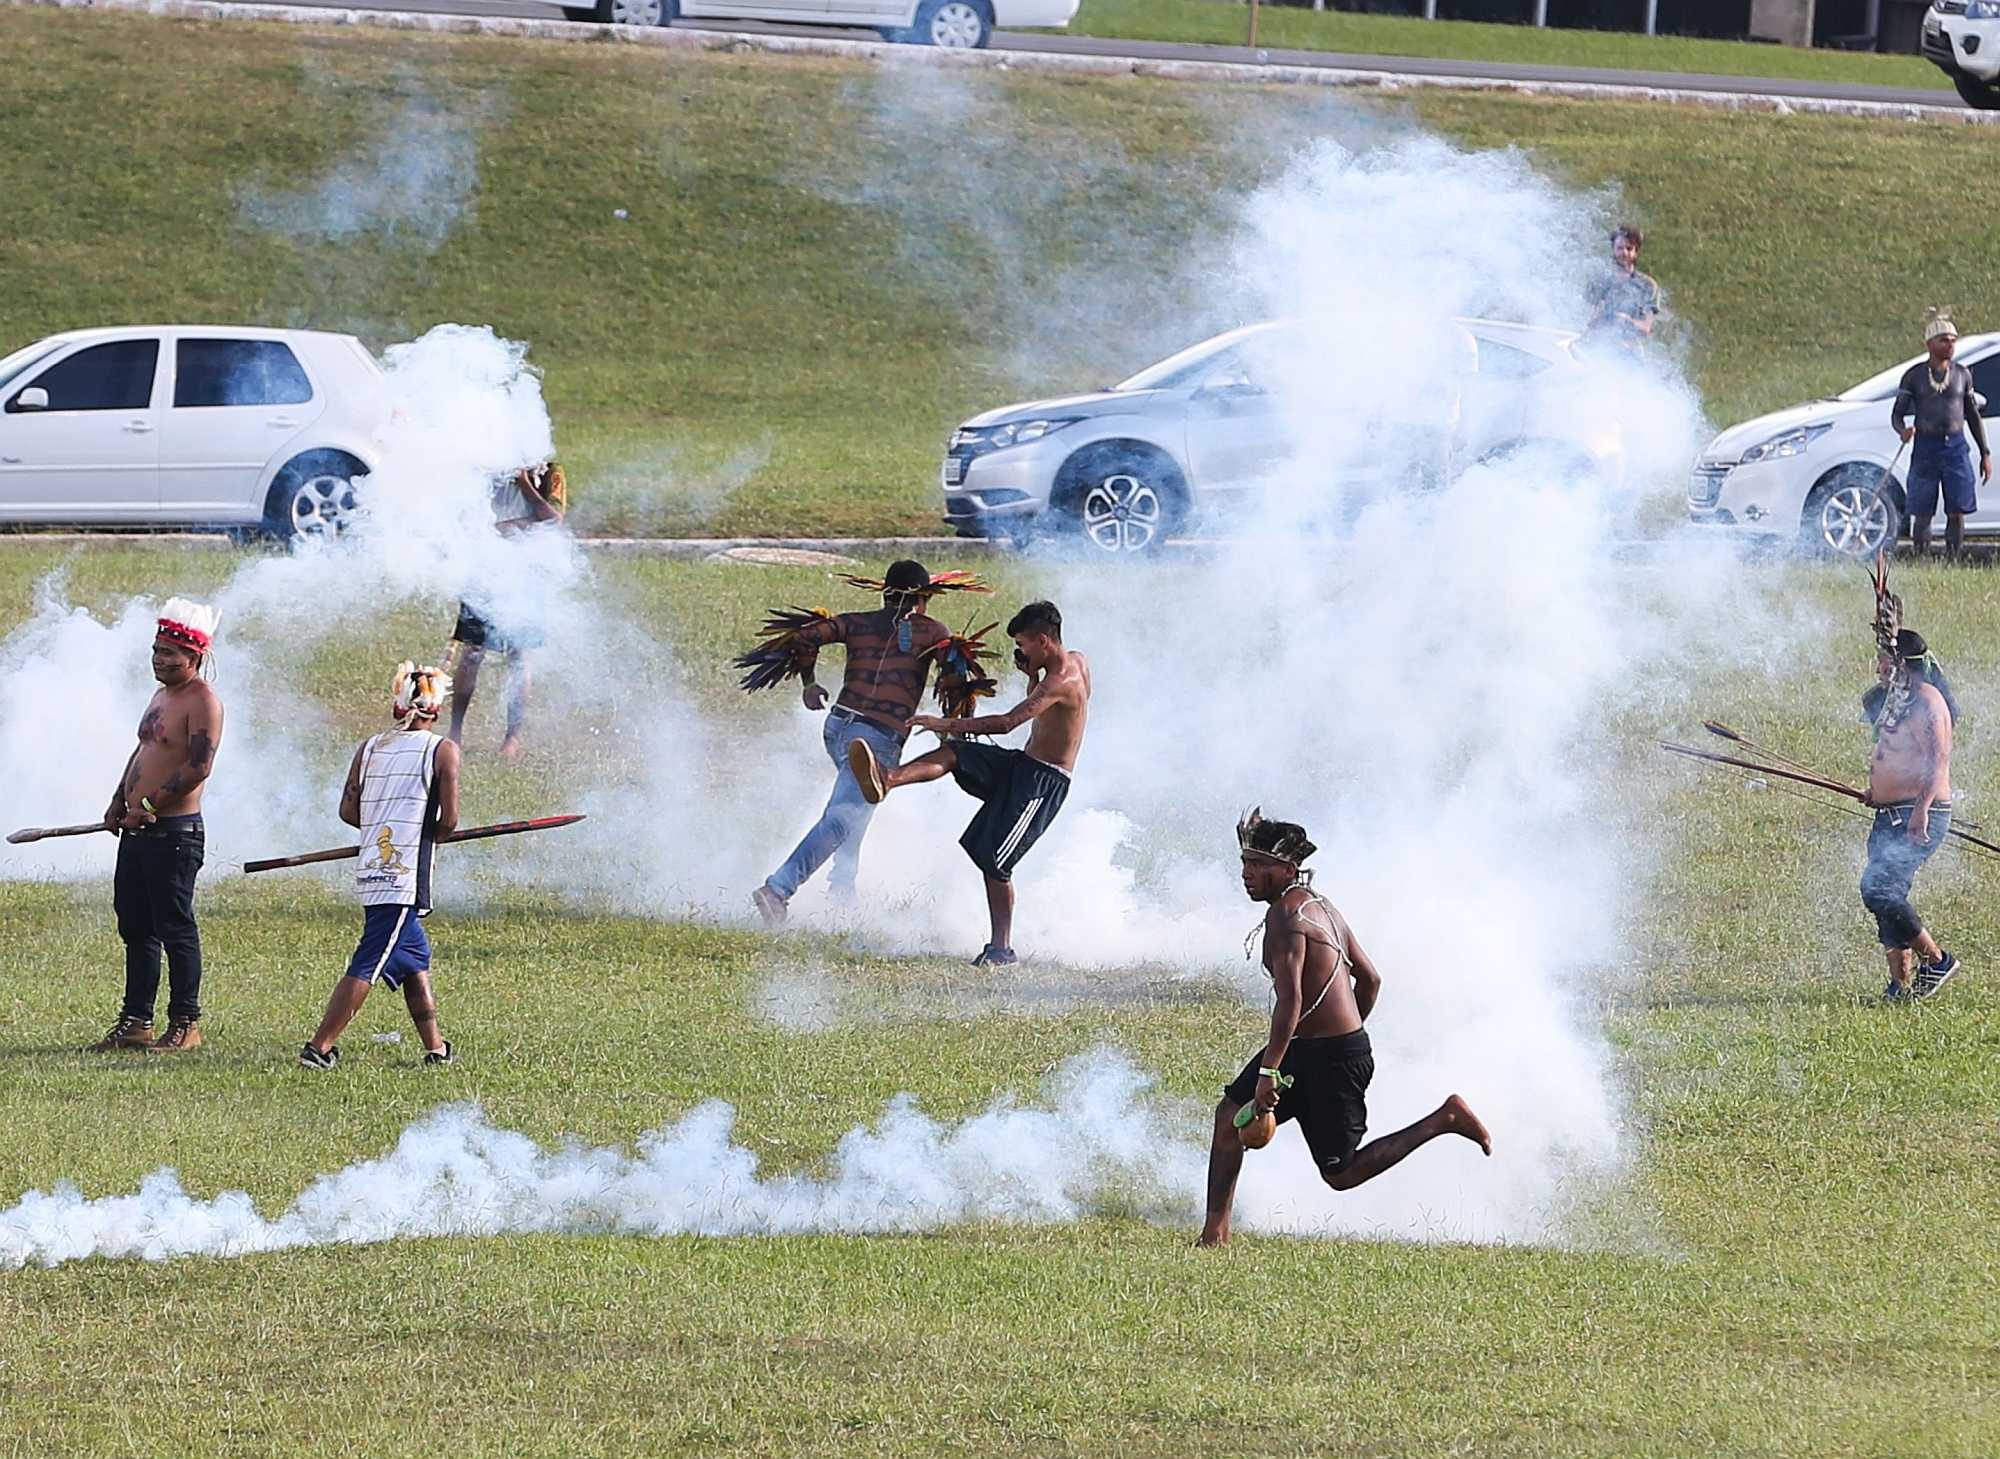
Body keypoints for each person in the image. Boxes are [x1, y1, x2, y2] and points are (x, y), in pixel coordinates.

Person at [1198, 810, 1490, 1249]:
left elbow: (1291, 1002)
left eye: (1259, 865)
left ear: (1288, 869)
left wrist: (1270, 1074)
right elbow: (1370, 981)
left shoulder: (1285, 917)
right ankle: (1214, 1235)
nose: (1247, 874)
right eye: (1244, 863)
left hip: (1326, 1057)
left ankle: (1445, 1118)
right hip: (1315, 1050)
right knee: (1228, 1116)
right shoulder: (1322, 906)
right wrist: (1346, 1034)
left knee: (1342, 1173)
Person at [736, 562, 995, 924]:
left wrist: (810, 683)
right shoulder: (933, 631)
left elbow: (804, 636)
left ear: (885, 592)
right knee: (843, 817)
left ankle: (843, 890)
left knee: (854, 807)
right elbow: (952, 682)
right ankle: (777, 890)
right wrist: (950, 729)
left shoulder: (857, 622)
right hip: (878, 737)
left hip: (838, 727)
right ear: (924, 597)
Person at [847, 600, 1088, 966]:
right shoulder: (1076, 662)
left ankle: (1001, 951)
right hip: (1022, 765)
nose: (1019, 652)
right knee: (956, 753)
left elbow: (1007, 723)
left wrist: (943, 723)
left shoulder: (1061, 681)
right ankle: (888, 778)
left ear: (1043, 640)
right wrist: (1031, 678)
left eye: (1023, 645)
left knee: (994, 861)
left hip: (1043, 783)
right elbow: (1051, 710)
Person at [300, 662, 462, 1069]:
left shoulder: (370, 748)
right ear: (436, 712)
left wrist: (381, 826)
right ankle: (319, 1048)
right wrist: (433, 834)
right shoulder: (442, 750)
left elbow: (349, 810)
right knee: (371, 958)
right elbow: (449, 820)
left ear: (397, 707)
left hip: (373, 867)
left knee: (412, 957)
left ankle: (436, 1048)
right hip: (404, 875)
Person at [88, 599, 226, 1055]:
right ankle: (136, 1021)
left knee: (175, 928)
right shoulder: (161, 696)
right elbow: (143, 753)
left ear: (195, 657)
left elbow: (198, 765)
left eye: (171, 654)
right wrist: (117, 801)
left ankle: (186, 1023)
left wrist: (148, 803)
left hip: (174, 835)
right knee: (136, 927)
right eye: (156, 651)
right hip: (137, 830)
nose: (160, 660)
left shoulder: (203, 701)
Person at [1861, 602, 1960, 1002]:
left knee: (1878, 888)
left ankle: (1937, 960)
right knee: (1886, 893)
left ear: (1907, 666)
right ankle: (1900, 985)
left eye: (1889, 664)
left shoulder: (1928, 701)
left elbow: (1937, 763)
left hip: (1918, 814)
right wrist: (1878, 792)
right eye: (1881, 663)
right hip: (1890, 811)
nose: (1882, 670)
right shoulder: (1894, 700)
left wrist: (1919, 811)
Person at [447, 458, 567, 761]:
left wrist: (525, 483)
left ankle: (512, 738)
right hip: (485, 568)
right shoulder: (485, 468)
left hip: (525, 573)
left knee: (518, 656)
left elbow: (553, 519)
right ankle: (455, 733)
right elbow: (466, 517)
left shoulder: (550, 472)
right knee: (472, 653)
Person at [1890, 309, 1992, 559]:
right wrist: (1903, 430)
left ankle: (1953, 557)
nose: (1950, 345)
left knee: (1957, 508)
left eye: (1953, 340)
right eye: (1944, 340)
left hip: (1956, 447)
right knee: (1922, 509)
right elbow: (1897, 414)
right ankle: (1921, 557)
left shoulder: (1962, 374)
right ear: (1929, 344)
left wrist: (1985, 453)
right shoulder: (1914, 376)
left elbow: (1972, 415)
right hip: (1925, 447)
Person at [1581, 224, 1662, 355]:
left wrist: (1625, 321)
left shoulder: (1647, 285)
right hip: (1596, 347)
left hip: (1628, 351)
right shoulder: (1601, 280)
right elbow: (1586, 320)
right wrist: (1601, 320)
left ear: (1636, 252)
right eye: (1620, 248)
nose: (1624, 253)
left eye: (1629, 248)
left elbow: (1646, 328)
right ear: (1613, 249)